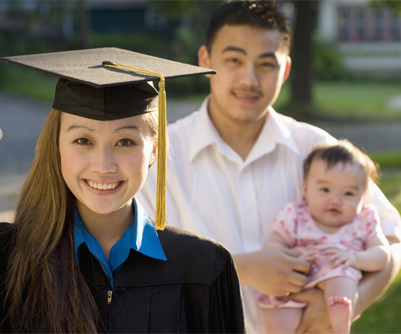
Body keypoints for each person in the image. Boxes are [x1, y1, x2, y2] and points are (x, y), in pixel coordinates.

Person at [137, 1, 401, 333]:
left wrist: (349, 305)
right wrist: (239, 269)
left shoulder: (316, 148)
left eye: (266, 64)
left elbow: (392, 239)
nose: (249, 79)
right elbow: (130, 267)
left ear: (285, 69)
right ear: (205, 60)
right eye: (233, 60)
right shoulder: (158, 157)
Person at [0, 48, 245, 333]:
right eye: (82, 140)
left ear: (154, 151)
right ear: (56, 147)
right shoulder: (9, 259)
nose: (103, 166)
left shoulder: (202, 268)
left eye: (126, 142)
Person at [258, 140, 390, 334]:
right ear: (305, 190)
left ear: (363, 197)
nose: (335, 200)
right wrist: (290, 257)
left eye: (348, 193)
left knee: (342, 282)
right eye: (325, 190)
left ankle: (340, 324)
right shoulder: (295, 215)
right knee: (278, 316)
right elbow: (274, 244)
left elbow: (382, 254)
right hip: (297, 277)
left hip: (337, 269)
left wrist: (355, 258)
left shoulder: (363, 220)